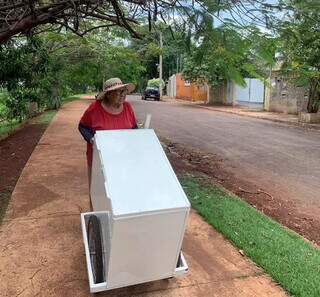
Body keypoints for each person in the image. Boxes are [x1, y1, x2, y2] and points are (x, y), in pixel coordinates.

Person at [78, 77, 138, 185]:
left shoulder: (128, 108)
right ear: (108, 94)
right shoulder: (95, 109)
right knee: (99, 194)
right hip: (99, 160)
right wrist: (92, 139)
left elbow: (134, 128)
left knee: (120, 189)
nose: (123, 94)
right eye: (119, 91)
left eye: (124, 91)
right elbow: (82, 126)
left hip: (122, 158)